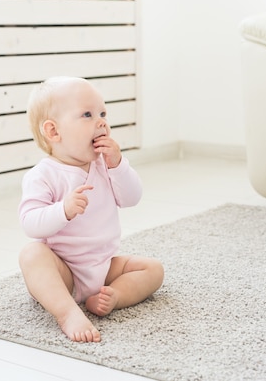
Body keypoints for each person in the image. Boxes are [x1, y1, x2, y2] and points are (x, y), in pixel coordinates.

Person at [18, 76, 164, 343]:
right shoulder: (43, 175)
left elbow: (132, 198)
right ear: (53, 132)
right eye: (87, 114)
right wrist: (63, 210)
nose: (101, 122)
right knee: (32, 255)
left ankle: (114, 296)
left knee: (153, 269)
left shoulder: (104, 165)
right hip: (65, 273)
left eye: (102, 113)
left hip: (105, 267)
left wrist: (118, 164)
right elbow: (30, 222)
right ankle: (67, 312)